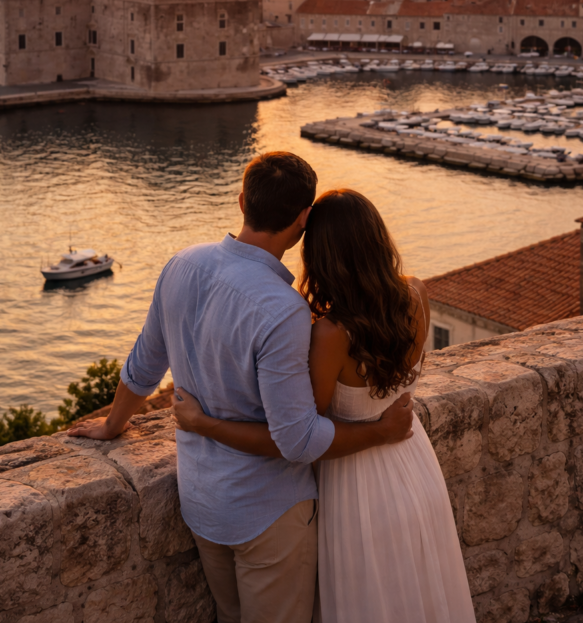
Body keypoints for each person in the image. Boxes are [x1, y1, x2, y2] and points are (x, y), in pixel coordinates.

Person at [67, 153, 414, 623]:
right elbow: (299, 441)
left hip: (202, 502)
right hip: (268, 513)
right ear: (303, 220)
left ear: (242, 199)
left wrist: (113, 425)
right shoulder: (283, 310)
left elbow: (145, 363)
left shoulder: (181, 264)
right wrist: (380, 432)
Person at [174, 188, 476, 623]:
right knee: (415, 590)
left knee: (364, 599)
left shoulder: (331, 335)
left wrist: (203, 421)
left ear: (321, 256)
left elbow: (299, 431)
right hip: (414, 464)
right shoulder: (416, 294)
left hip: (354, 482)